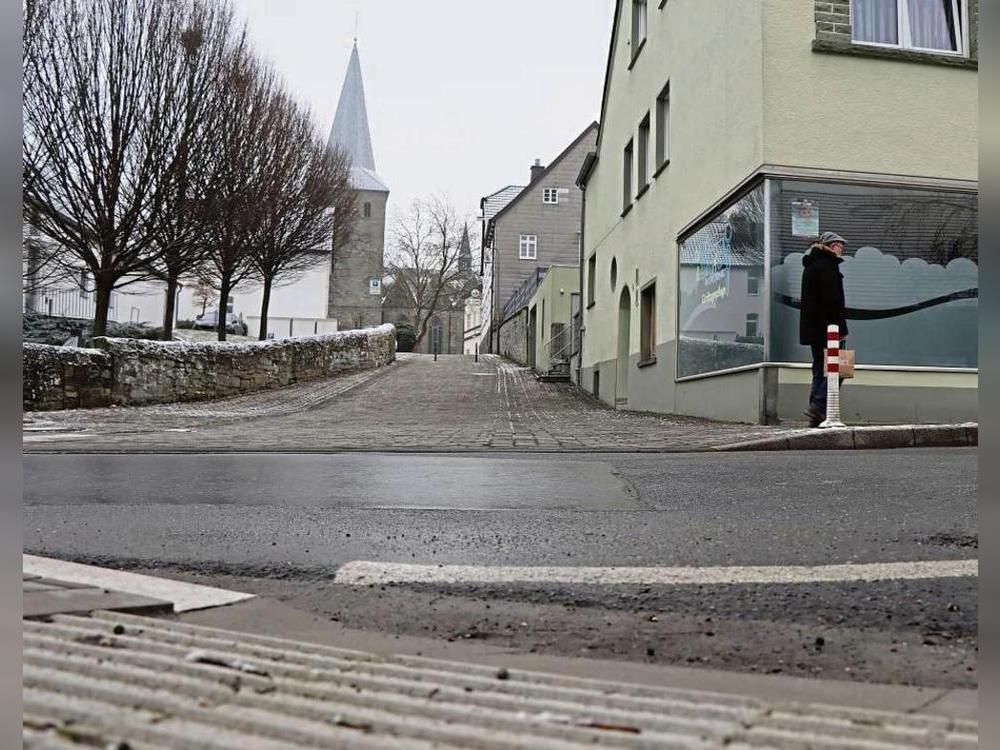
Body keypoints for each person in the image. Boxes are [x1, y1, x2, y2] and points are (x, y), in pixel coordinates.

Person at [800, 231, 848, 427]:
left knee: (820, 368)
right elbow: (832, 301)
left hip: (814, 328)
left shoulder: (811, 265)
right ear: (830, 245)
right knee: (840, 368)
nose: (842, 248)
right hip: (829, 327)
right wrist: (841, 327)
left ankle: (816, 411)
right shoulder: (828, 266)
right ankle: (819, 406)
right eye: (839, 244)